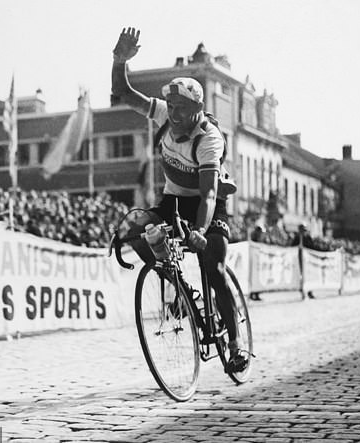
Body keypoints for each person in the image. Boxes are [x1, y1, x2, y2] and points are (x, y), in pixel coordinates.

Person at [111, 27, 247, 372]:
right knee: (134, 230)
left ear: (197, 109)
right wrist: (119, 61)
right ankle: (180, 288)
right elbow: (122, 93)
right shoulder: (163, 115)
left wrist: (201, 231)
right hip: (173, 200)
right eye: (170, 106)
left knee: (213, 268)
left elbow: (209, 192)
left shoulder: (208, 139)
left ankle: (235, 344)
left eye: (181, 109)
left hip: (207, 204)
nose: (173, 114)